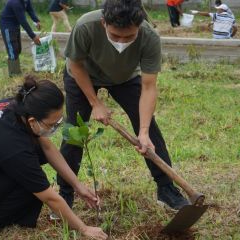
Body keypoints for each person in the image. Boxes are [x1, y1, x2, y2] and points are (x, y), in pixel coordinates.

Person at [0, 76, 108, 240]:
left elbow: (45, 145)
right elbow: (49, 197)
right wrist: (84, 229)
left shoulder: (19, 106)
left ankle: (6, 216)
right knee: (30, 185)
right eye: (53, 125)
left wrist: (78, 185)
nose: (55, 128)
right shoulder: (12, 145)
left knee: (31, 172)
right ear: (32, 121)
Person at [57, 0, 190, 212]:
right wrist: (95, 103)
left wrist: (143, 131)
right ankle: (65, 192)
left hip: (124, 77)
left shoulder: (149, 37)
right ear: (103, 23)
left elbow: (148, 87)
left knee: (150, 130)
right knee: (74, 131)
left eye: (129, 37)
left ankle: (166, 189)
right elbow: (75, 64)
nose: (121, 42)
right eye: (115, 36)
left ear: (139, 26)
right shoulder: (85, 25)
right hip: (82, 74)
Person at [0, 0, 41, 77]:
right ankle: (14, 74)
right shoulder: (15, 2)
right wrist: (33, 36)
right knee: (12, 50)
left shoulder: (26, 0)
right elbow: (23, 21)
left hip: (15, 25)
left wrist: (36, 20)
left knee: (18, 49)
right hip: (7, 25)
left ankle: (15, 69)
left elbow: (30, 10)